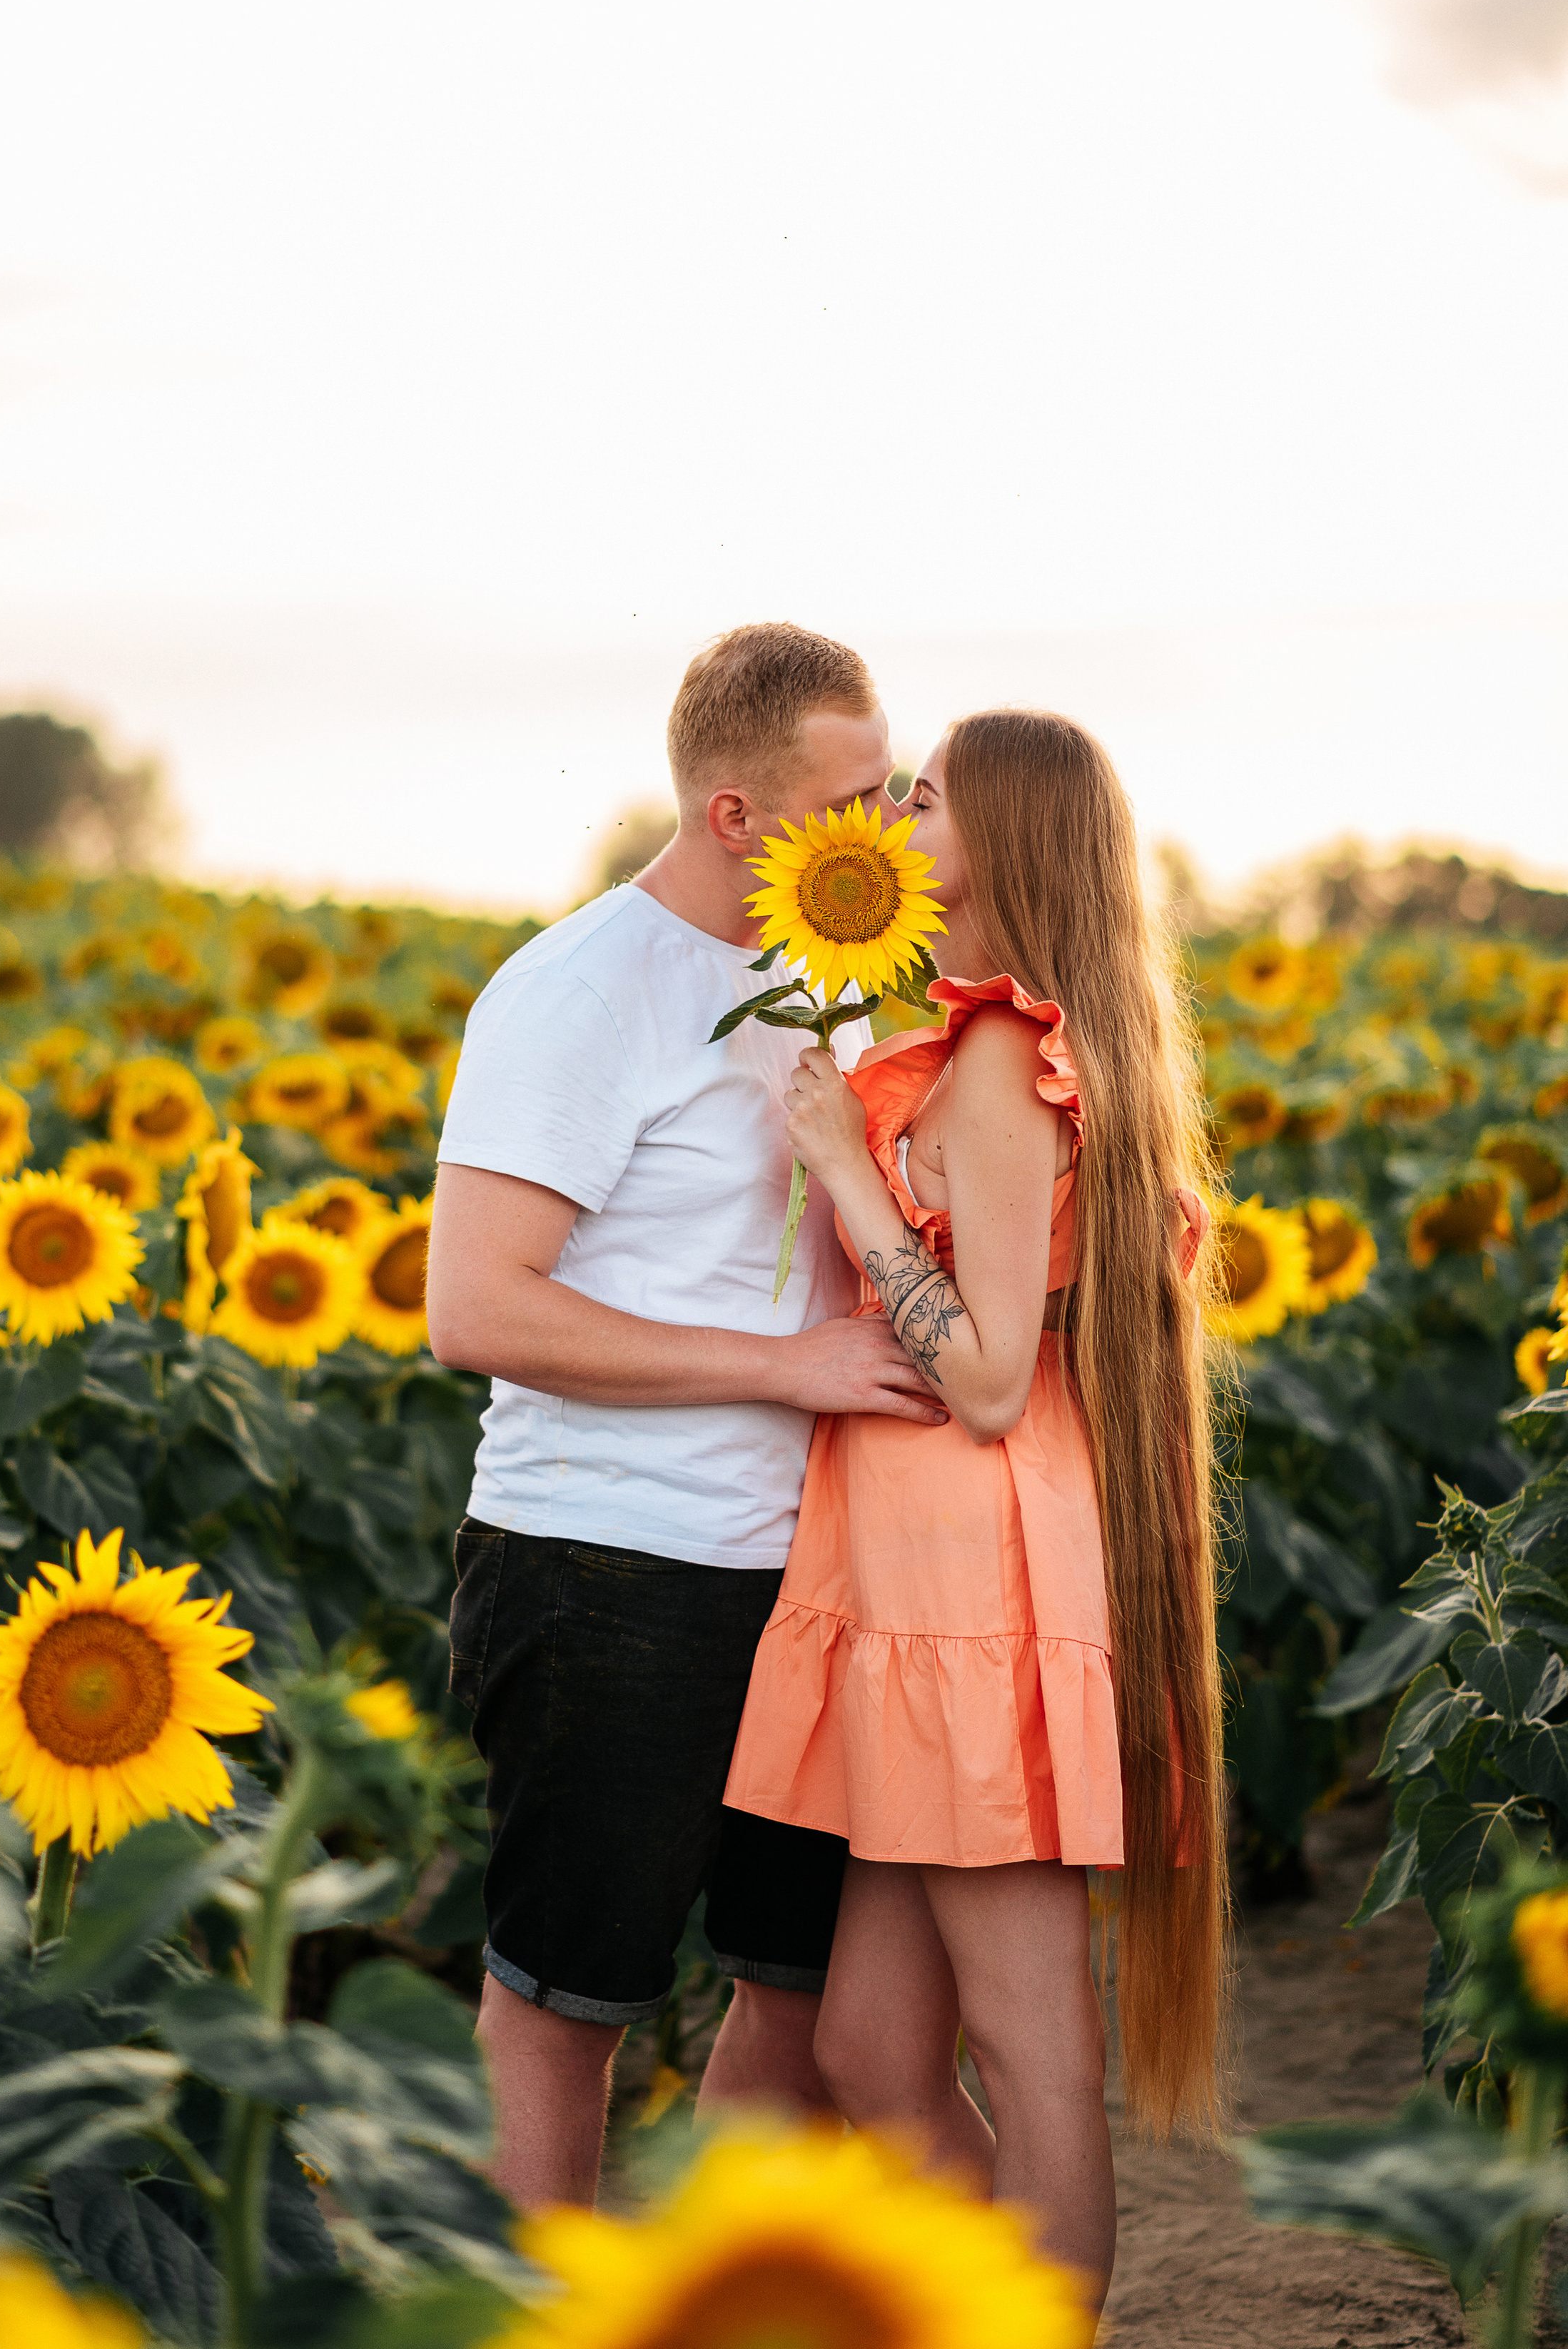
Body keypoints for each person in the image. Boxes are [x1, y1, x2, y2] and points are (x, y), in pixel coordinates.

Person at [425, 622, 947, 2211]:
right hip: (608, 1563)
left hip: (812, 1568)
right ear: (735, 816)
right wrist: (780, 1370)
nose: (883, 823)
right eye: (850, 795)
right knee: (566, 2005)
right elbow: (477, 1308)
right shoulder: (583, 987)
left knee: (796, 1990)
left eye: (891, 783)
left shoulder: (832, 980)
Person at [724, 706, 1227, 2318]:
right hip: (911, 1583)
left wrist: (847, 1175)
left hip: (980, 1587)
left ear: (1002, 841)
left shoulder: (1008, 1053)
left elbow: (995, 1376)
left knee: (1028, 2045)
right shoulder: (959, 1036)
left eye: (924, 798)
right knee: (870, 2044)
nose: (892, 821)